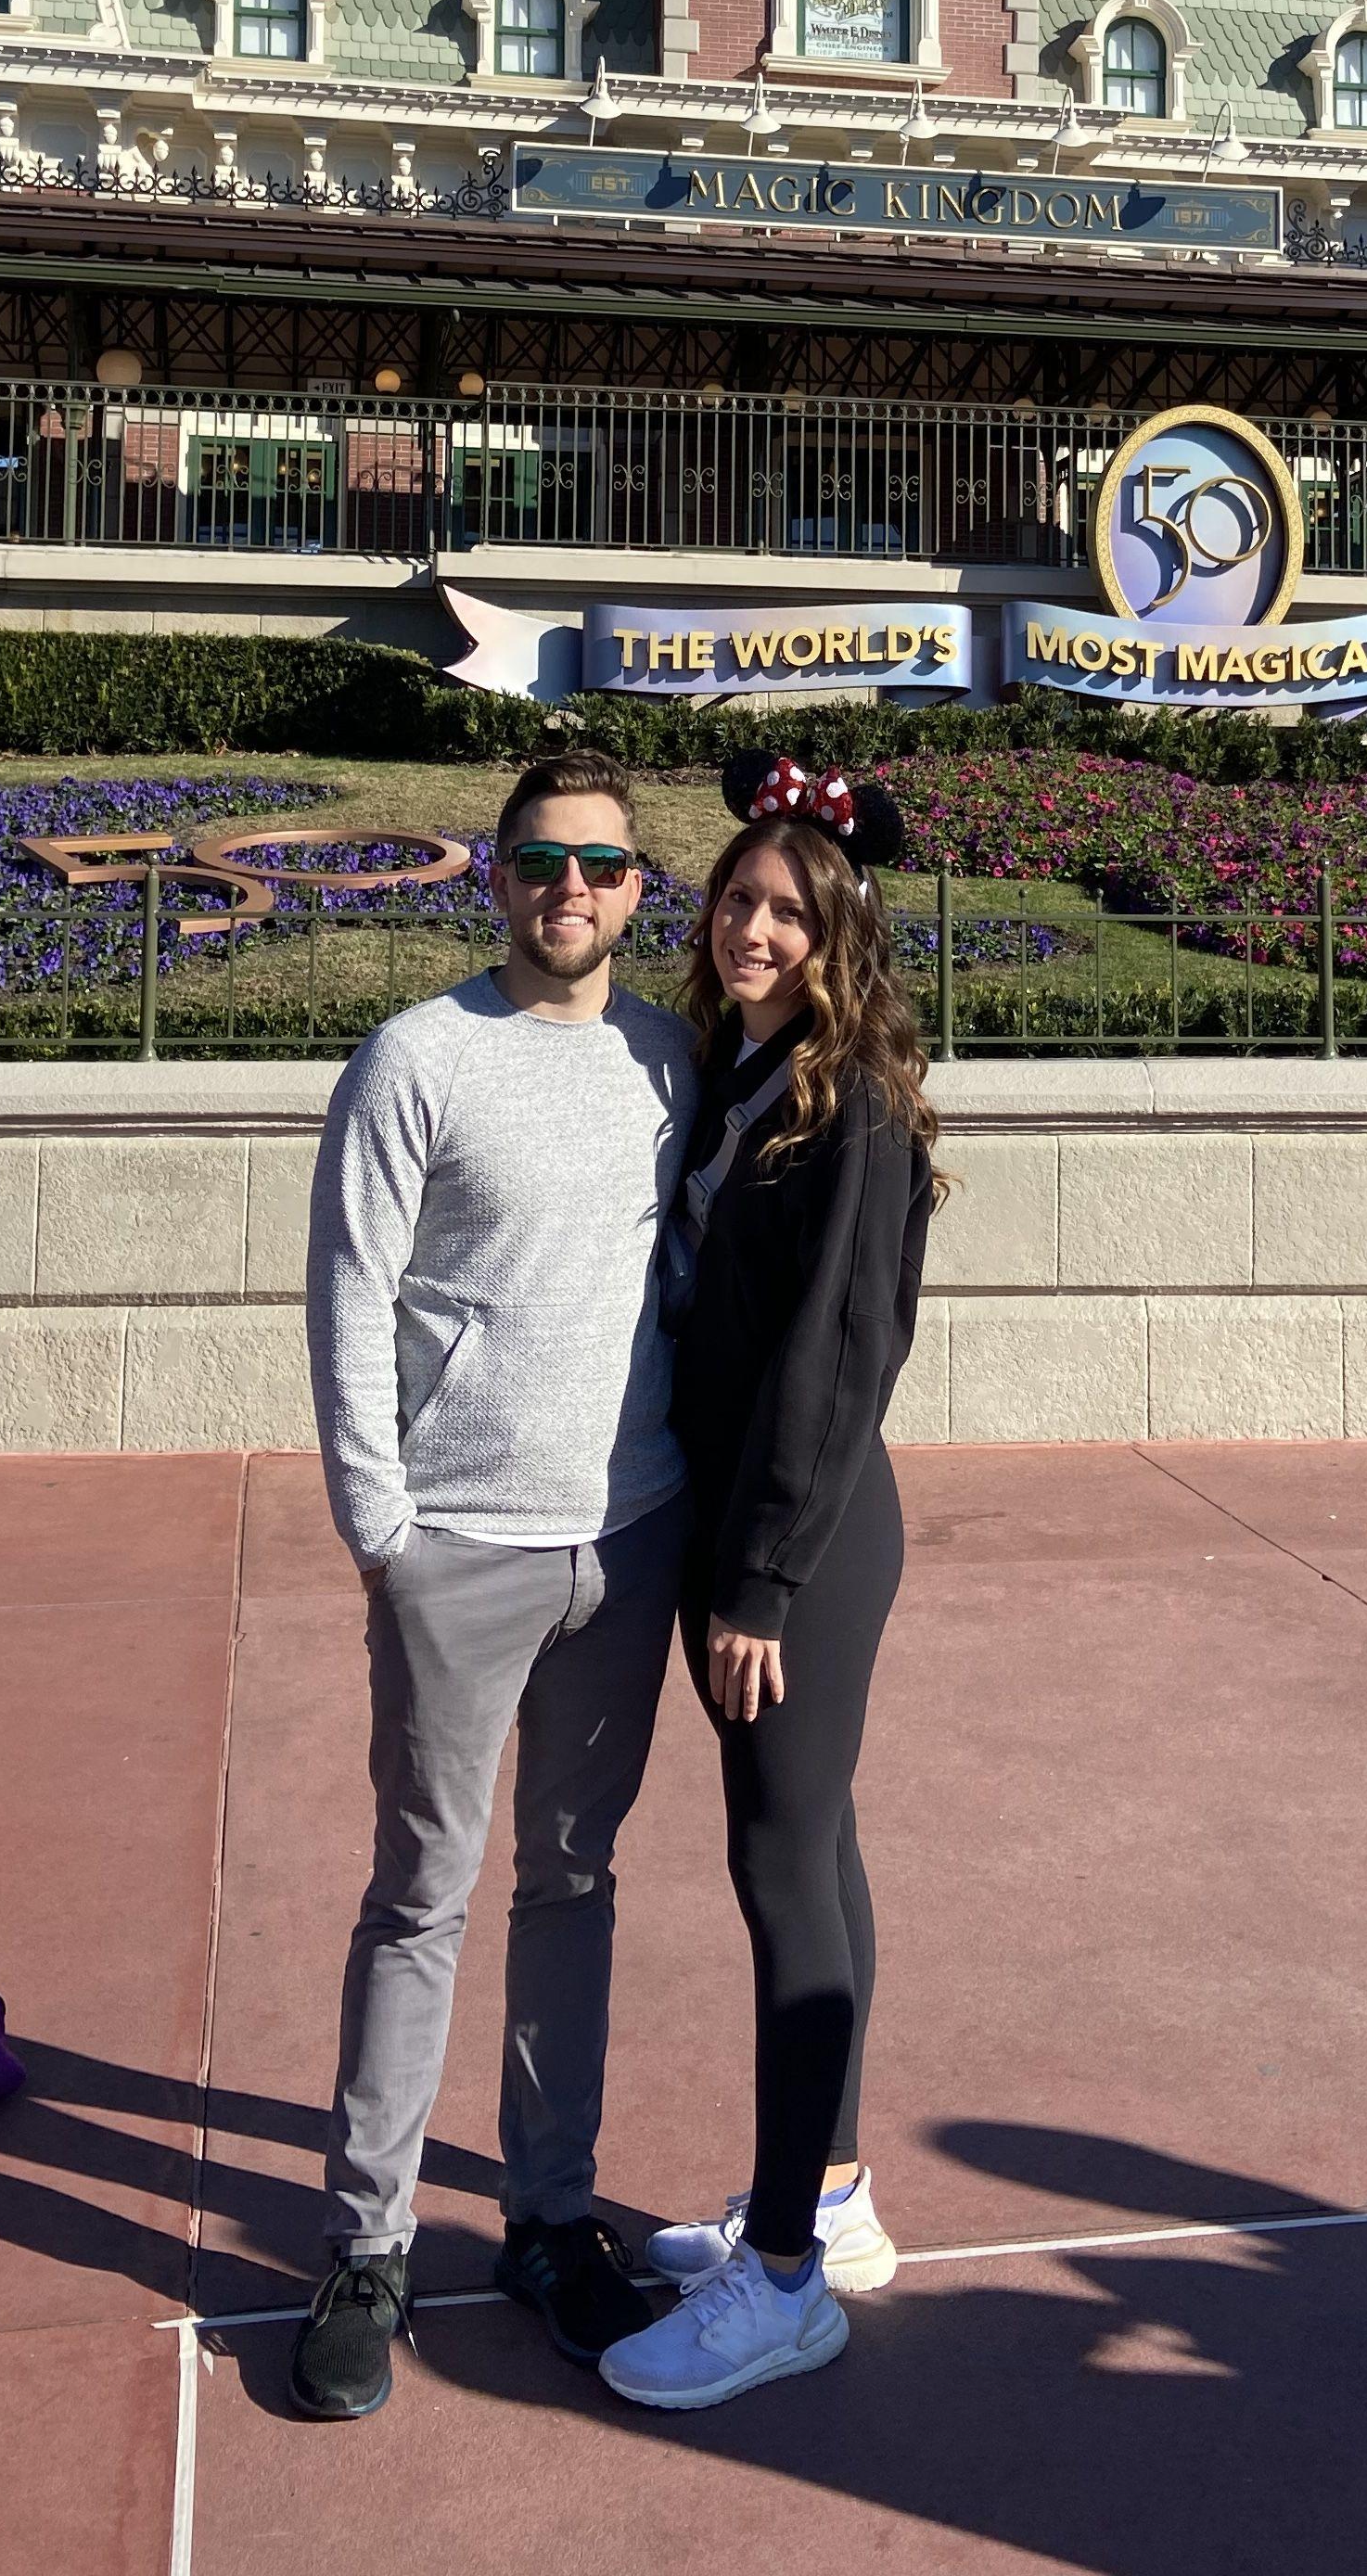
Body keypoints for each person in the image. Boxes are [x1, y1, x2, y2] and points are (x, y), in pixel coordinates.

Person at [287, 756, 701, 2426]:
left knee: (574, 1885)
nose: (570, 890)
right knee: (420, 1892)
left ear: (633, 890)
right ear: (496, 875)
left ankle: (546, 2212)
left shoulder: (667, 1053)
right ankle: (367, 2243)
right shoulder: (416, 1058)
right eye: (541, 860)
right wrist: (380, 1524)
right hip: (457, 1544)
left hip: (631, 1535)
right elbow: (348, 1287)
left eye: (601, 868)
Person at [603, 758, 943, 2416]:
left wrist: (757, 1576)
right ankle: (839, 2190)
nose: (751, 925)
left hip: (792, 1538)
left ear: (836, 936)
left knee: (775, 1864)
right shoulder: (745, 1072)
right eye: (737, 897)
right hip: (750, 1517)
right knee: (817, 1848)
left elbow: (837, 1357)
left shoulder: (853, 1098)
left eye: (787, 910)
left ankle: (789, 2280)